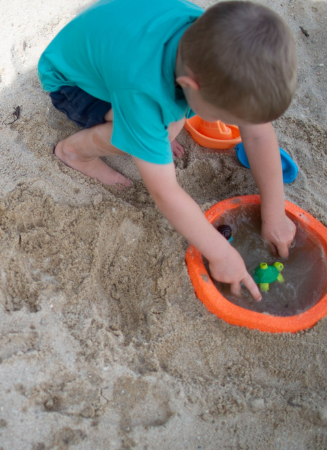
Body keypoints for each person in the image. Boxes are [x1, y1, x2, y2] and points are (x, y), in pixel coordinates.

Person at [38, 0, 297, 300]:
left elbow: (258, 135)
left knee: (165, 123)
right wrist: (220, 253)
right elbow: (166, 193)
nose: (233, 125)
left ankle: (155, 132)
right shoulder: (143, 93)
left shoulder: (209, 36)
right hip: (71, 84)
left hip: (114, 53)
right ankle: (74, 152)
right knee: (155, 127)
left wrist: (275, 212)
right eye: (225, 117)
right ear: (189, 84)